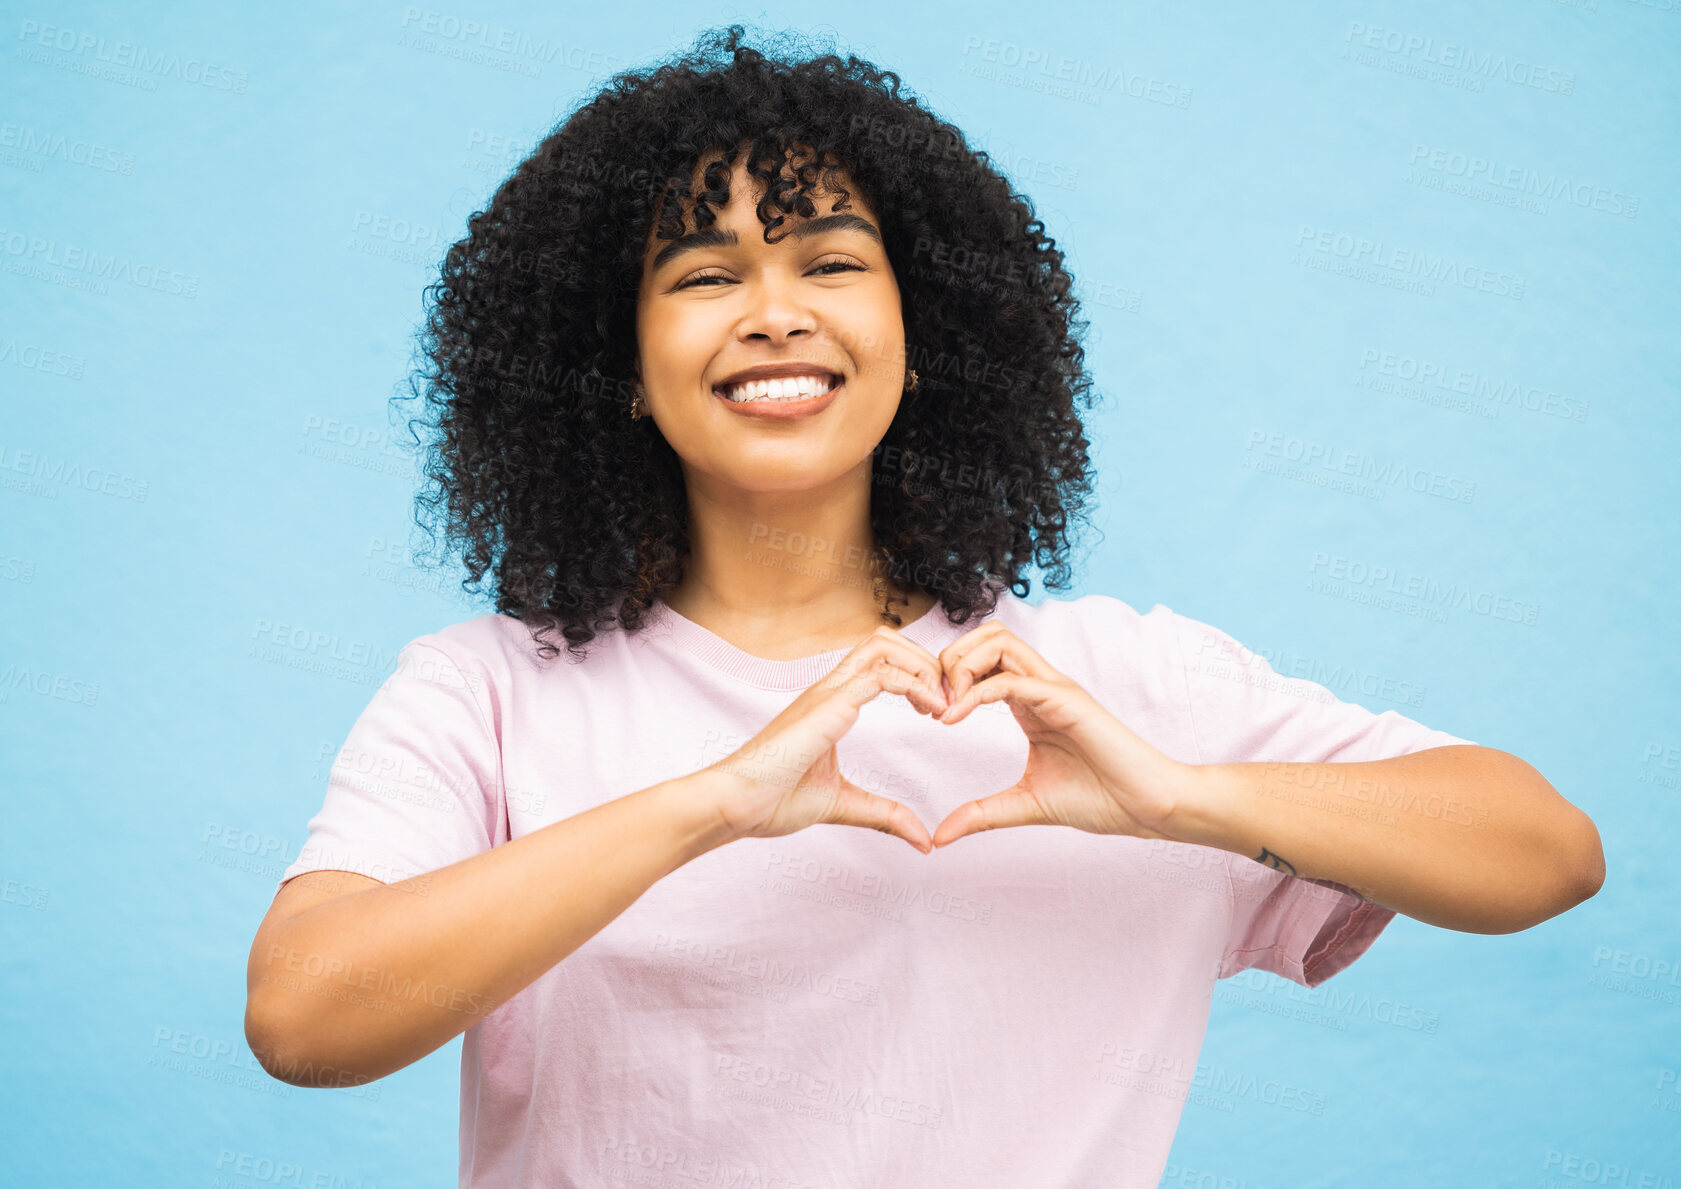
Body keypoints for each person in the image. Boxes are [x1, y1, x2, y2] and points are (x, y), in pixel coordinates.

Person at [242, 25, 1605, 1188]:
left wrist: (1180, 796)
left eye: (830, 263)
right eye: (704, 275)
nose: (774, 314)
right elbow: (305, 1015)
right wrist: (710, 800)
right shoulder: (485, 687)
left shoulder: (1105, 681)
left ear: (928, 330)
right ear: (613, 359)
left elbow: (1542, 851)